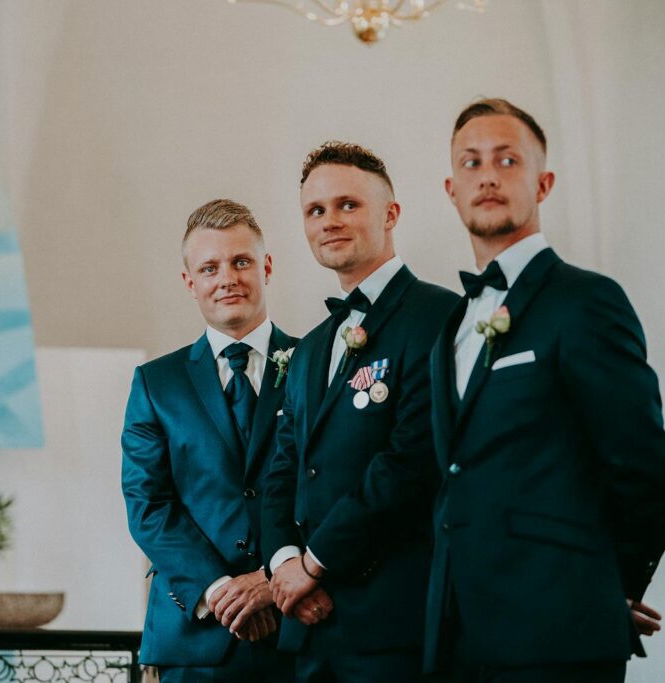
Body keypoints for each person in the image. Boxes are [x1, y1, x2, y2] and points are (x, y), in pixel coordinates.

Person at [423, 98, 665, 682]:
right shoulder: (450, 326)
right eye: (471, 162)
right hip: (455, 638)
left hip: (559, 635)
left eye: (507, 160)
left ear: (543, 182)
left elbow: (643, 465)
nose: (487, 174)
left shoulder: (587, 301)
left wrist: (606, 588)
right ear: (450, 187)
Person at [260, 142, 458, 682]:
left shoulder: (439, 316)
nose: (330, 221)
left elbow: (411, 460)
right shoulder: (308, 350)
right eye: (315, 210)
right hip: (308, 626)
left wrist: (315, 564)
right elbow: (285, 469)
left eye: (348, 204)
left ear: (391, 214)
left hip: (394, 620)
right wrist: (283, 566)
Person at [121, 199, 297, 682]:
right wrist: (221, 591)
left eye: (241, 261)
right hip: (194, 638)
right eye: (209, 267)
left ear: (266, 267)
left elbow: (329, 485)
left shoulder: (313, 364)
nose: (228, 278)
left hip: (299, 629)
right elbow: (148, 505)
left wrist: (270, 581)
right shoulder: (157, 384)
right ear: (189, 283)